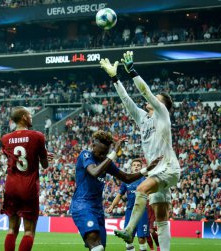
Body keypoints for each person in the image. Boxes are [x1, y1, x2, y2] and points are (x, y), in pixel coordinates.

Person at [100, 51, 181, 251]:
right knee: (161, 218)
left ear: (162, 104)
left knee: (141, 189)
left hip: (168, 168)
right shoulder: (143, 118)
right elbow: (127, 100)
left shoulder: (162, 114)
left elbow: (146, 93)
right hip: (156, 171)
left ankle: (129, 229)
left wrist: (133, 71)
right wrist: (115, 78)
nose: (152, 99)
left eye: (157, 98)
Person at [70, 130, 163, 251]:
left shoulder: (106, 163)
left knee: (100, 247)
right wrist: (113, 153)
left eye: (105, 153)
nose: (103, 156)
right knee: (96, 247)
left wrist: (146, 169)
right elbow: (94, 172)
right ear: (93, 145)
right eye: (101, 153)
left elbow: (127, 178)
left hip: (98, 209)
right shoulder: (85, 155)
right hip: (82, 205)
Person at [1, 106, 53, 251]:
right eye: (30, 115)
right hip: (28, 187)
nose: (32, 117)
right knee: (29, 231)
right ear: (24, 117)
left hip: (11, 186)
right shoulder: (37, 136)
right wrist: (41, 155)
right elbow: (44, 165)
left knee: (12, 229)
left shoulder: (5, 139)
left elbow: (13, 157)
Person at [106, 158, 149, 251]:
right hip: (130, 211)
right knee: (128, 238)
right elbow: (119, 195)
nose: (136, 167)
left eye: (138, 165)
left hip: (142, 212)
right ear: (131, 168)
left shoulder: (146, 180)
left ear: (141, 168)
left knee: (141, 238)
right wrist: (112, 206)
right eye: (134, 165)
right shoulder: (126, 181)